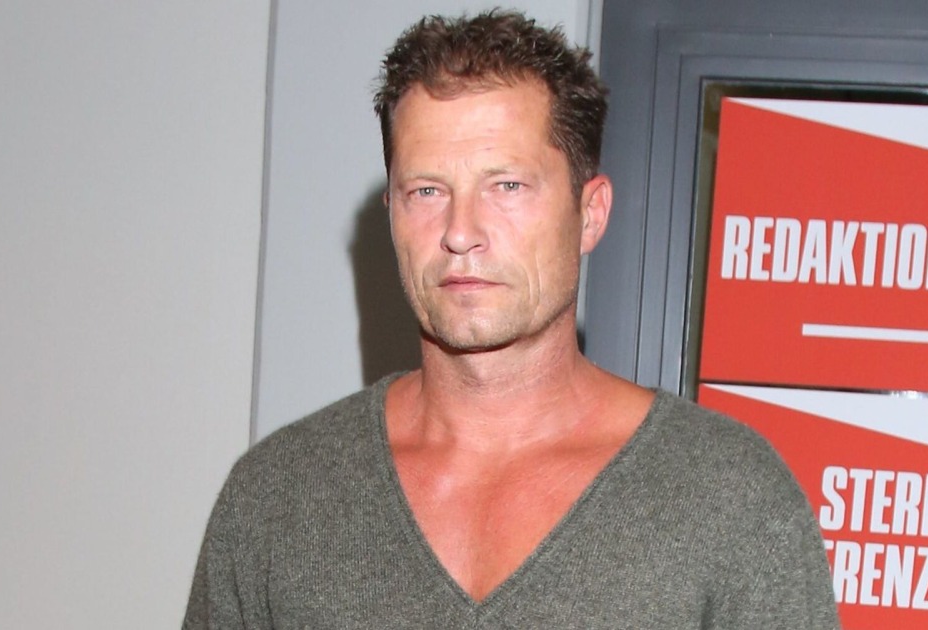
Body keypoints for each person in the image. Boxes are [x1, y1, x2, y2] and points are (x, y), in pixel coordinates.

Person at [183, 10, 839, 629]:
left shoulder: (730, 498)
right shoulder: (278, 497)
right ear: (391, 214)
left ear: (590, 214)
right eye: (427, 191)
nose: (460, 231)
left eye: (507, 186)